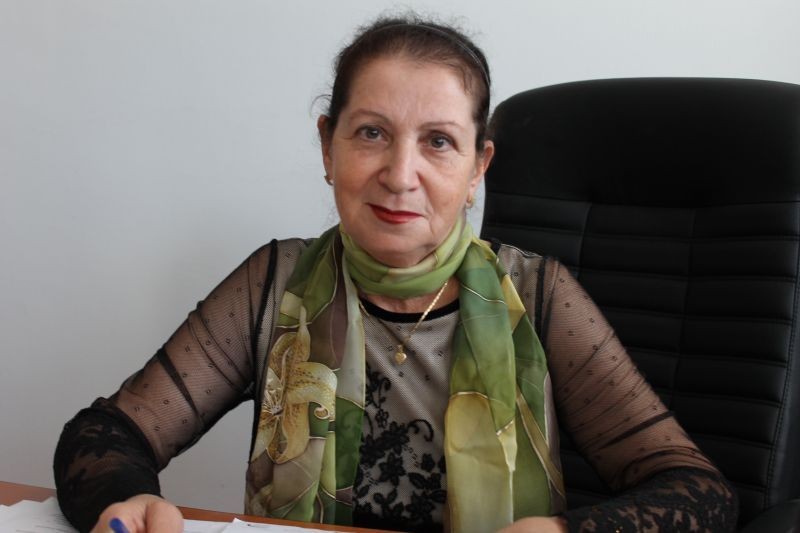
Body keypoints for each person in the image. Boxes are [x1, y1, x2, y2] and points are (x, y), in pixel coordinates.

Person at [53, 14, 738, 533]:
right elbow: (106, 432)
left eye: (438, 142)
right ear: (328, 146)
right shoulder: (275, 281)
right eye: (372, 133)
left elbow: (700, 491)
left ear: (477, 169)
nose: (400, 174)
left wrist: (568, 532)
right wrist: (125, 498)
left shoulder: (539, 295)